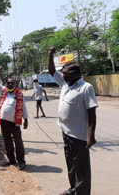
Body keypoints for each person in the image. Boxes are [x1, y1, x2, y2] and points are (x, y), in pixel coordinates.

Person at [48, 47, 98, 195]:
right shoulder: (65, 83)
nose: (62, 75)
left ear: (76, 74)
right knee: (70, 164)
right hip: (66, 132)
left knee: (81, 167)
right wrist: (50, 55)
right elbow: (51, 71)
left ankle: (82, 192)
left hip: (79, 135)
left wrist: (91, 135)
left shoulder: (86, 88)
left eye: (65, 73)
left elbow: (92, 114)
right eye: (62, 73)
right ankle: (73, 189)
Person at [0, 66, 28, 170]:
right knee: (7, 142)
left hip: (14, 123)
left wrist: (26, 119)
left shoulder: (19, 94)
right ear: (6, 84)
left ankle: (21, 161)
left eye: (12, 83)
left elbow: (24, 107)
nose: (10, 84)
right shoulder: (3, 91)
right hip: (4, 122)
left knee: (18, 142)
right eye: (8, 83)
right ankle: (11, 160)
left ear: (15, 84)